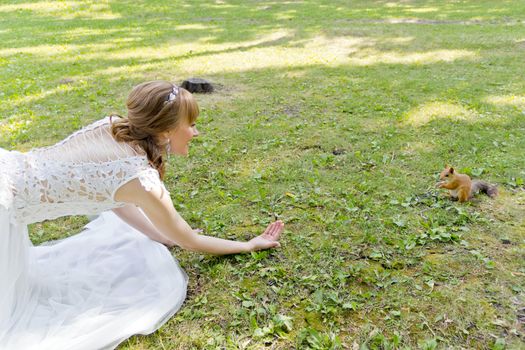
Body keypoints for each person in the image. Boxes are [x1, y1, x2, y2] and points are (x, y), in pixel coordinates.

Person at [0, 80, 284, 349]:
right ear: (166, 131)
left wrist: (160, 236)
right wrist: (248, 245)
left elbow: (111, 196)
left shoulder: (113, 129)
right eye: (192, 125)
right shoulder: (141, 179)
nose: (196, 133)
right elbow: (190, 240)